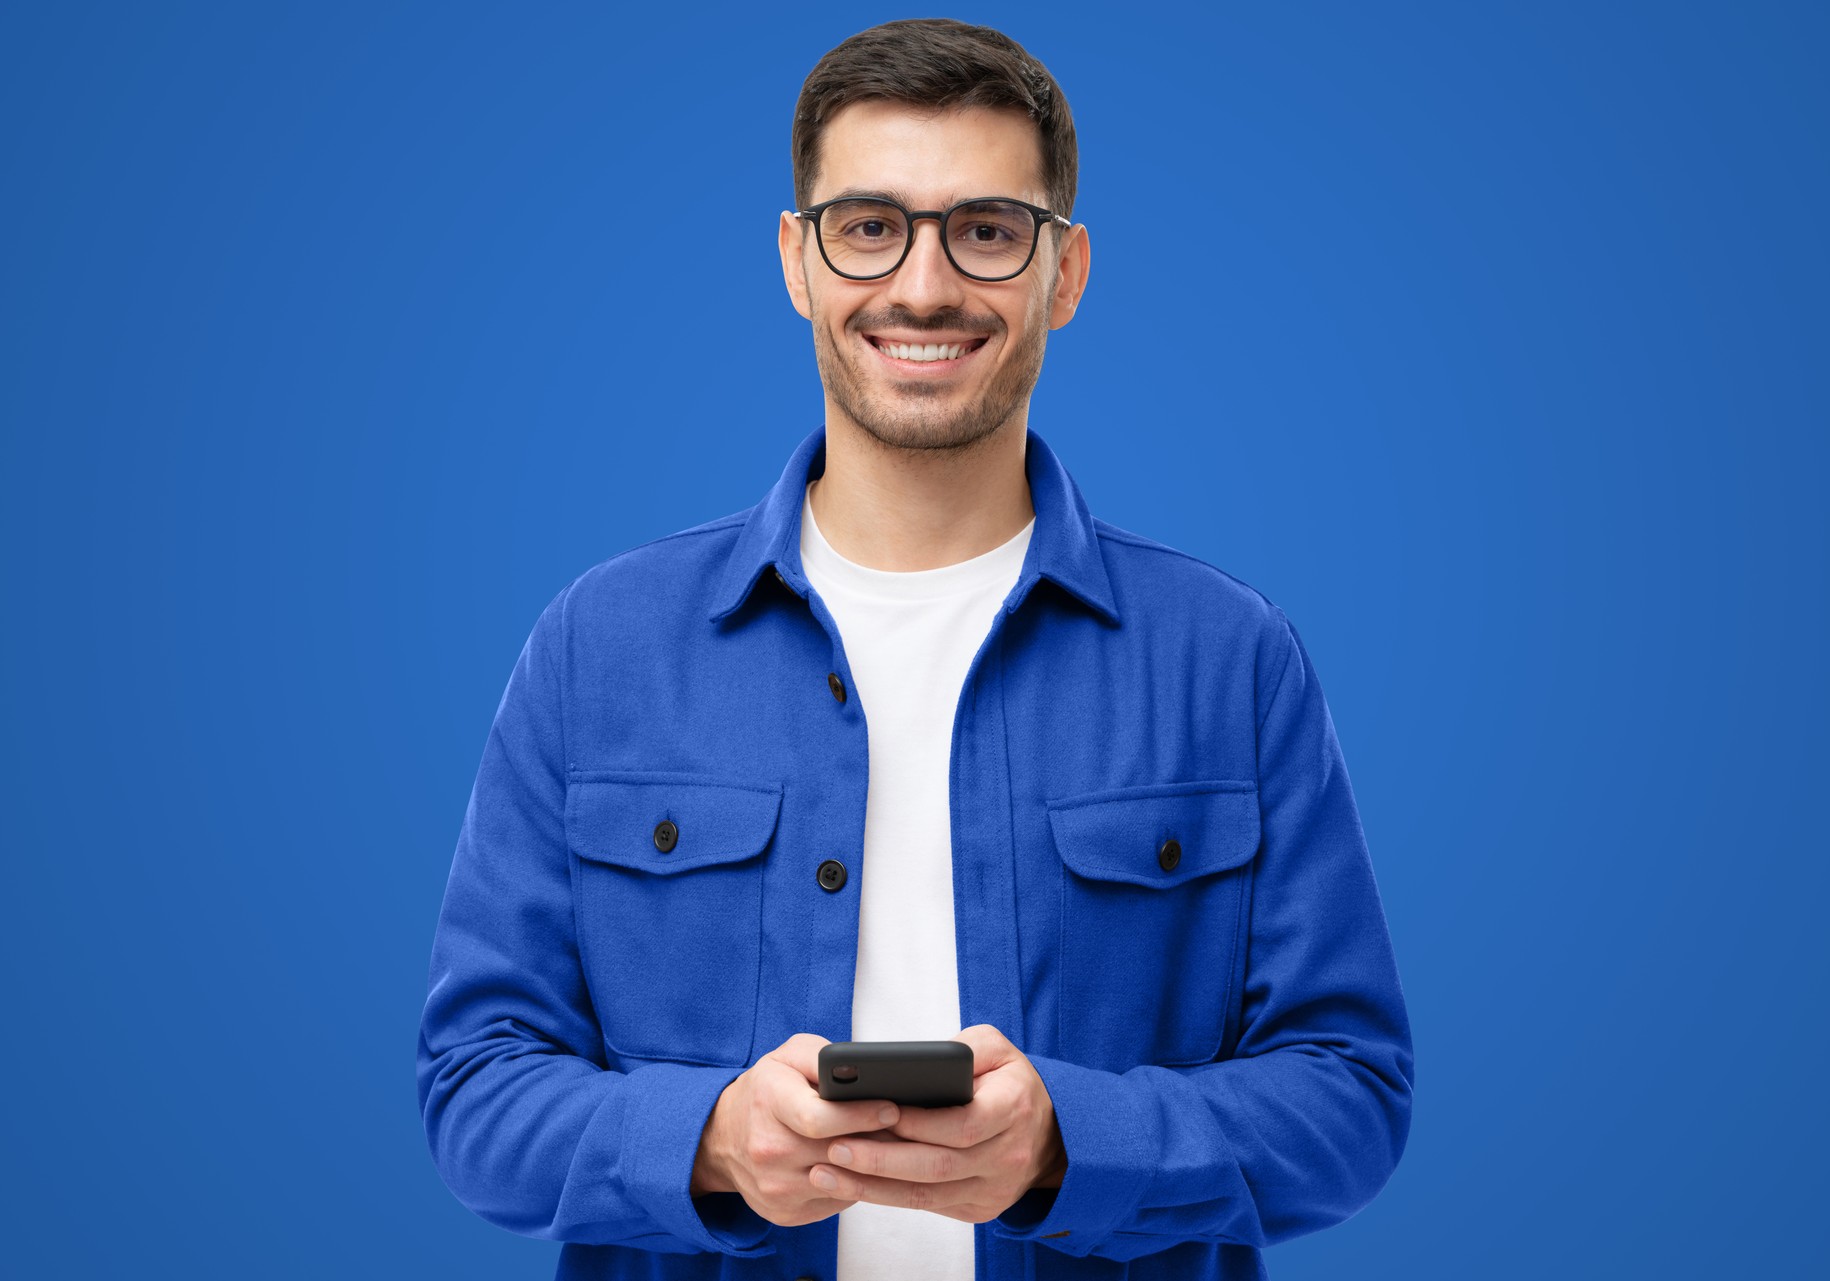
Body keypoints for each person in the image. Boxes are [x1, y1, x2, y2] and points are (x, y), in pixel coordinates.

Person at [416, 17, 1414, 1281]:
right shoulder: (599, 646)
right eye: (870, 225)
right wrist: (709, 1142)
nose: (925, 286)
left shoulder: (1229, 657)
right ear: (798, 258)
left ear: (1065, 271)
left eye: (986, 230)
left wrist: (1073, 1144)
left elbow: (1351, 1096)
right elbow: (475, 1089)